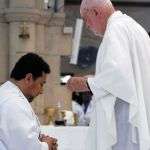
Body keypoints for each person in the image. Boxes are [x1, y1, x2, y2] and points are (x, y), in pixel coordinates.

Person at [67, 0, 150, 149]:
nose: (87, 25)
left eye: (86, 19)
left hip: (124, 123)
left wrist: (87, 84)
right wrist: (96, 80)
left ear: (96, 12)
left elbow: (118, 76)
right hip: (138, 118)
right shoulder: (136, 29)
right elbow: (124, 74)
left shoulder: (115, 29)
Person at [0, 53, 57, 150]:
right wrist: (47, 145)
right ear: (29, 78)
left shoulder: (6, 94)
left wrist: (39, 140)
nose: (41, 91)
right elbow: (24, 147)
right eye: (41, 84)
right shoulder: (14, 102)